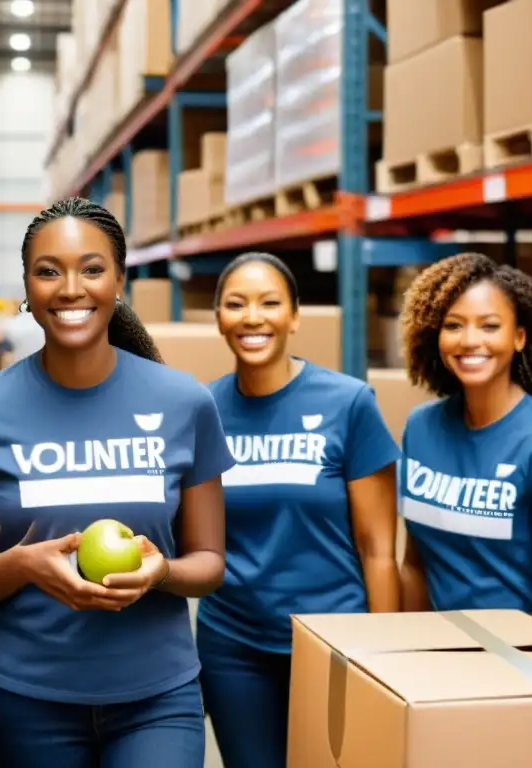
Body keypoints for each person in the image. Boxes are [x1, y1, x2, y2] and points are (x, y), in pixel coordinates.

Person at [0, 196, 233, 768]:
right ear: (26, 285)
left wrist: (160, 572)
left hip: (157, 698)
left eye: (92, 269)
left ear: (119, 280)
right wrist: (23, 565)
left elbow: (210, 564)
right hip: (30, 699)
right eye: (49, 271)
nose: (71, 288)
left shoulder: (184, 401)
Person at [196, 252, 401, 768]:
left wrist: (387, 654)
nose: (252, 317)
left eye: (270, 303)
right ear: (219, 317)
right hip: (233, 645)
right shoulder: (202, 411)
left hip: (338, 642)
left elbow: (379, 548)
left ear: (294, 315)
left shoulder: (349, 403)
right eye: (236, 304)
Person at [397, 252, 532, 626]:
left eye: (489, 326)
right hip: (434, 657)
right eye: (453, 325)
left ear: (518, 337)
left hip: (518, 663)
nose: (470, 341)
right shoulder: (420, 429)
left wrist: (493, 670)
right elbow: (415, 566)